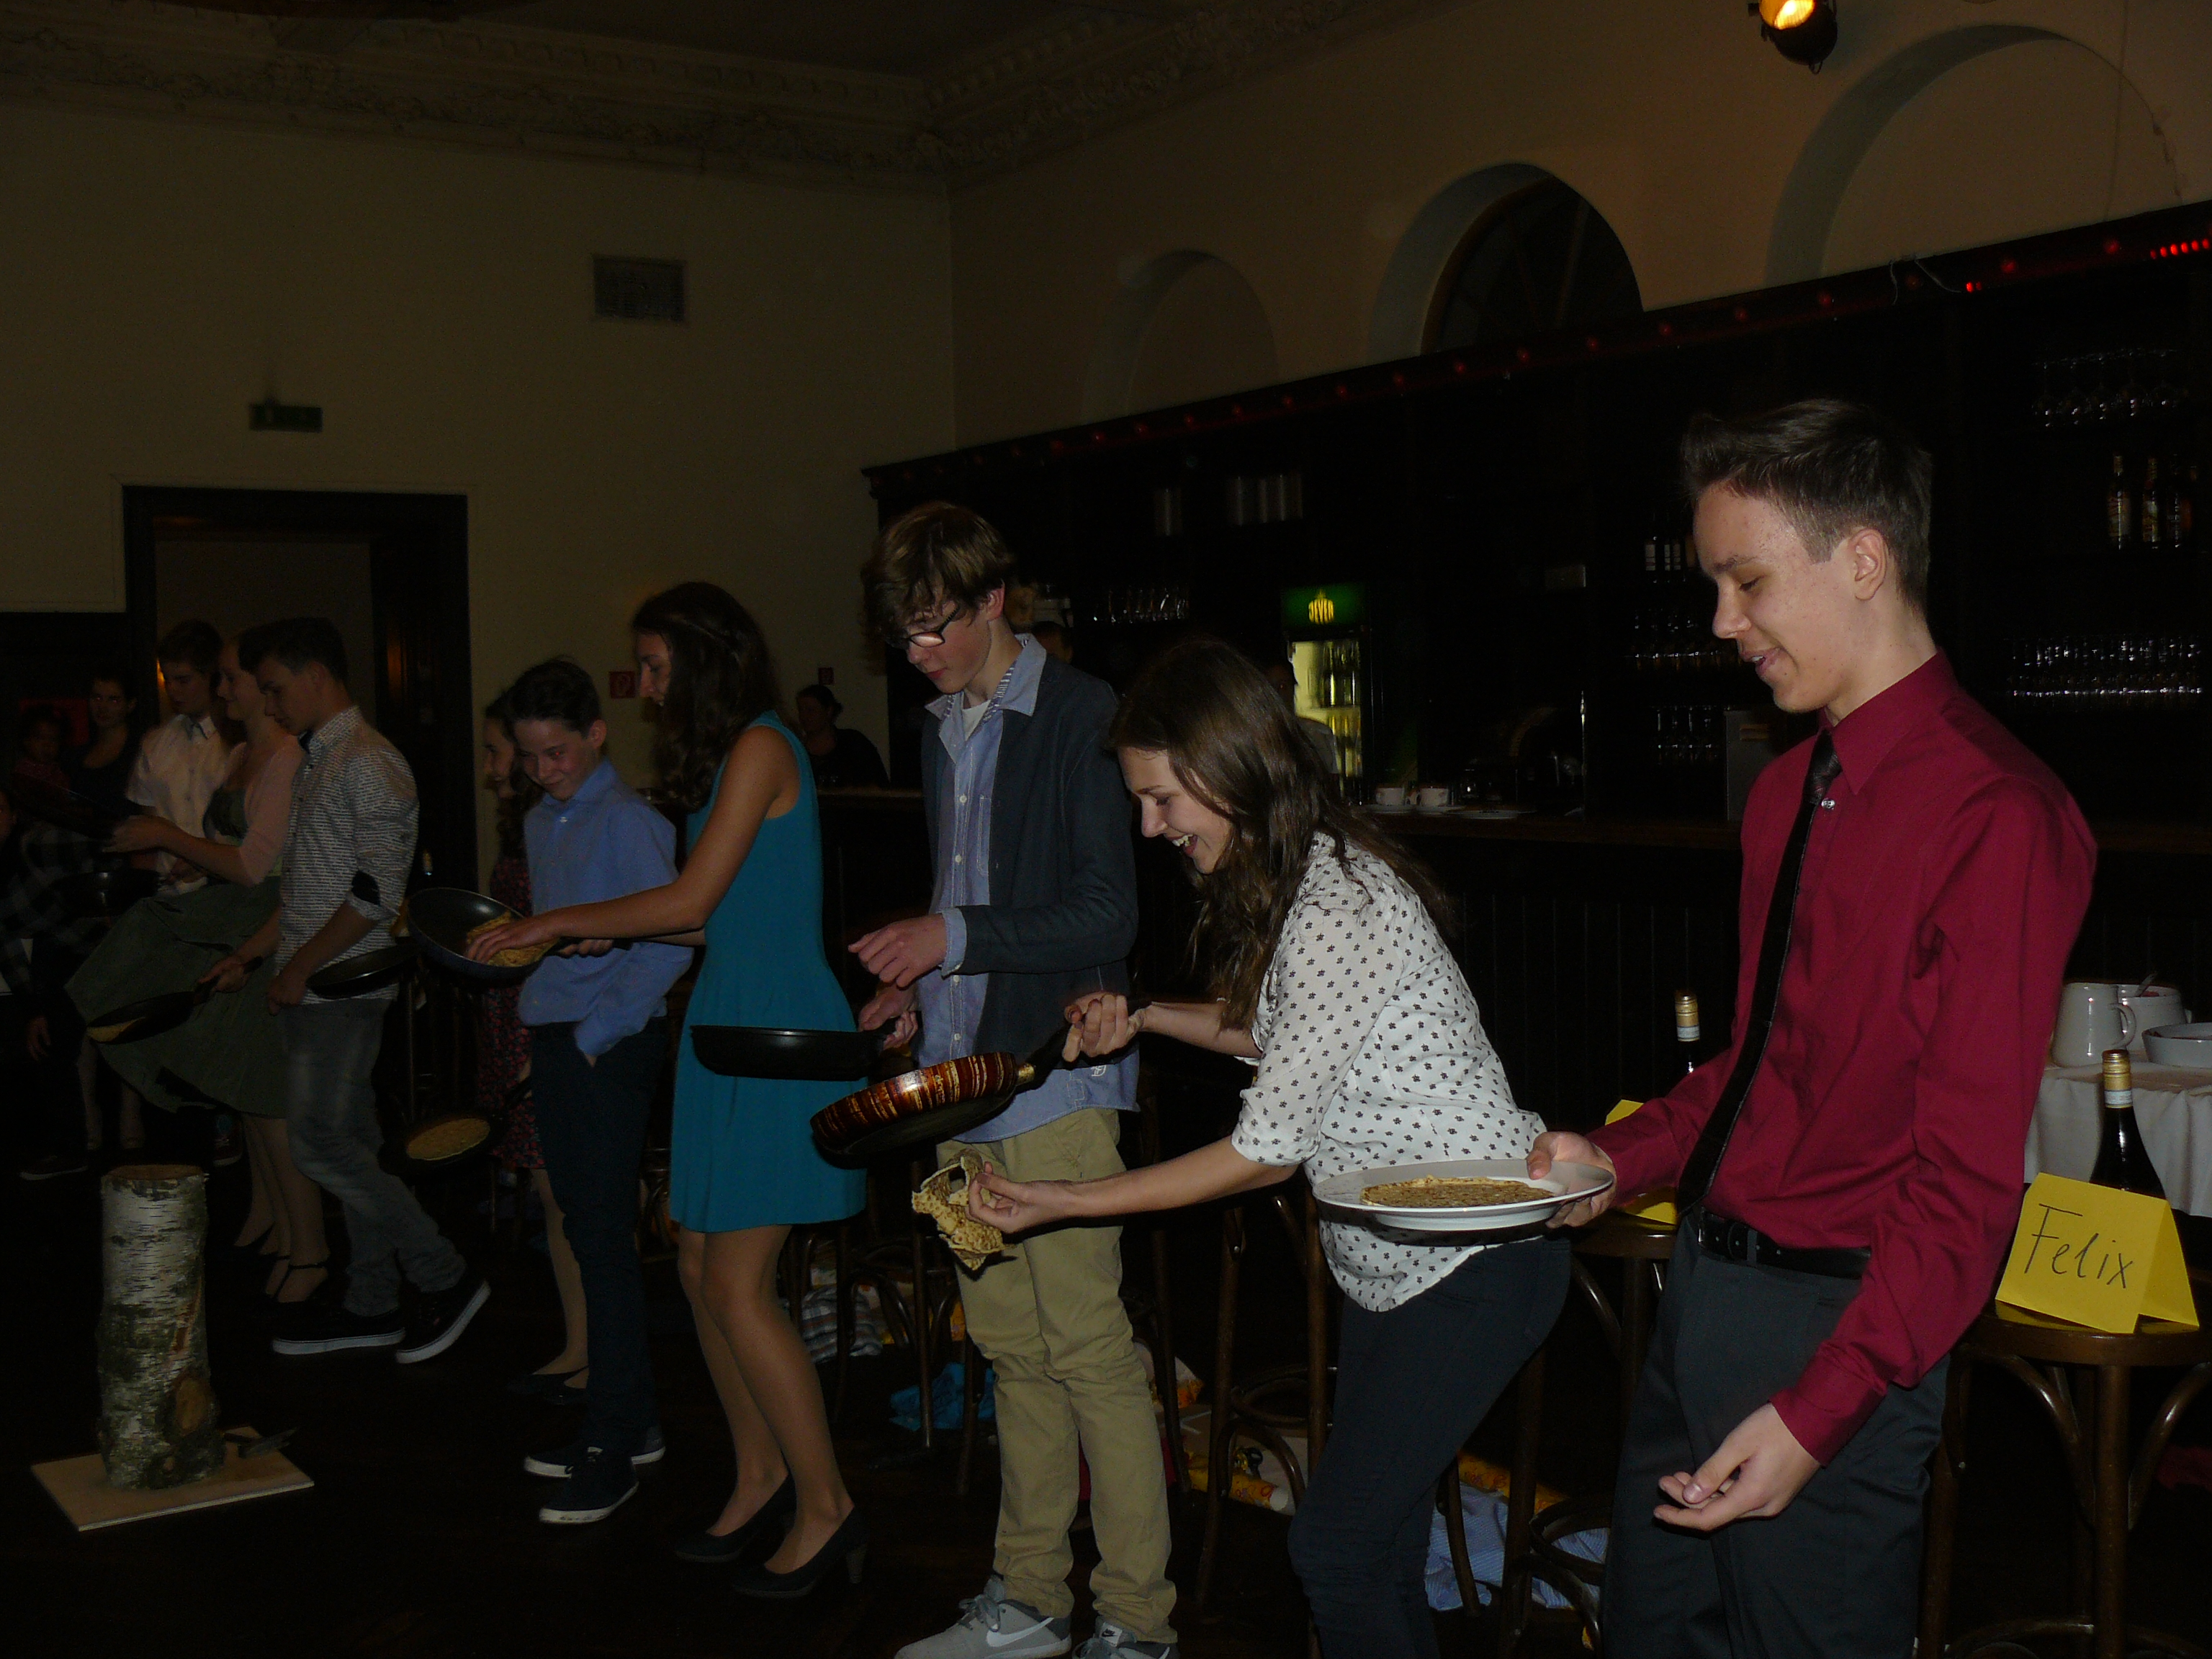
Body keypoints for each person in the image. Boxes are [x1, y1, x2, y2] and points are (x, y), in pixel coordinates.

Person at [1527, 400, 2096, 1659]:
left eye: (1746, 581)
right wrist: (1613, 1156)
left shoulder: (1997, 813)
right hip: (1704, 1296)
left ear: (1863, 559)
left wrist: (1819, 1411)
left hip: (1839, 1327)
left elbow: (1963, 1186)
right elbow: (1761, 1068)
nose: (1722, 621)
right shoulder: (1790, 786)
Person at [968, 637, 1563, 1659]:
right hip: (1404, 1263)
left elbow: (1265, 1151)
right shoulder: (1307, 878)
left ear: (1227, 766)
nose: (1151, 827)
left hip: (1473, 1262)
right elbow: (1284, 1039)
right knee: (1373, 1556)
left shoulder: (1337, 904)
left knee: (1337, 1552)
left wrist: (1065, 1201)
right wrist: (1146, 1013)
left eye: (1161, 799)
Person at [467, 584, 865, 1592]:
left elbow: (691, 897)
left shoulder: (764, 746)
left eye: (653, 666)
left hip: (776, 1023)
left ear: (702, 658)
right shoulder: (732, 757)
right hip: (728, 1013)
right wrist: (597, 930)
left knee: (735, 1283)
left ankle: (829, 1509)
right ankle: (760, 1474)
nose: (644, 687)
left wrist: (558, 922)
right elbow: (704, 919)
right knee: (694, 1265)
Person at [849, 503, 1171, 1659]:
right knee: (1004, 1347)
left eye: (936, 626)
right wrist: (919, 989)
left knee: (1088, 1355)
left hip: (1056, 1085)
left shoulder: (1081, 712)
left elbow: (1107, 915)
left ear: (994, 600)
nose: (919, 652)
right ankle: (1030, 1600)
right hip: (958, 1084)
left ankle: (1137, 1622)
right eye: (904, 635)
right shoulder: (942, 727)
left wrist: (950, 939)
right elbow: (966, 896)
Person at [202, 616, 489, 1364]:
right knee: (355, 1146)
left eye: (274, 689)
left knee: (321, 1144)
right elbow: (306, 890)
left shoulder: (369, 761)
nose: (269, 705)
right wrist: (253, 955)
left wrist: (299, 968)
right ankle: (372, 1301)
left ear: (316, 676)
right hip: (319, 982)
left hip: (346, 988)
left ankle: (444, 1273)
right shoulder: (320, 759)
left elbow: (372, 895)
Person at [490, 657, 691, 1526]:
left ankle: (614, 1437)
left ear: (597, 735)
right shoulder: (544, 820)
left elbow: (670, 941)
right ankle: (629, 1419)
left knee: (604, 1241)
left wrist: (593, 1036)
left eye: (558, 752)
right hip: (565, 1038)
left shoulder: (630, 821)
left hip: (609, 1042)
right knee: (584, 1232)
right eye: (531, 756)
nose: (545, 770)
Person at [77, 635, 320, 1301]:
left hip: (264, 923)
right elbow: (228, 849)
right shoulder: (242, 754)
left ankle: (310, 1249)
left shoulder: (289, 758)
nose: (223, 689)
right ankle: (272, 1219)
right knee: (244, 1091)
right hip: (233, 916)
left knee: (265, 1093)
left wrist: (166, 837)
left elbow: (255, 866)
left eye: (231, 678)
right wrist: (188, 860)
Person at [478, 694, 581, 1401]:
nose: (490, 769)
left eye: (495, 753)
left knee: (565, 1197)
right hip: (518, 1012)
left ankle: (589, 1350)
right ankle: (580, 1343)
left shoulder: (562, 822)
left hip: (546, 1019)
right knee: (554, 1197)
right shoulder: (529, 821)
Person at [0, 783, 103, 1181]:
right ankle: (70, 1150)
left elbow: (113, 844)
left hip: (109, 940)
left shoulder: (38, 845)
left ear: (13, 817)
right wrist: (34, 1010)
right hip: (61, 951)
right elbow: (7, 948)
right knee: (48, 1044)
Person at [129, 621, 233, 891]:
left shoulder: (238, 742)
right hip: (169, 894)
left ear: (212, 677)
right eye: (168, 679)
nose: (172, 690)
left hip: (227, 892)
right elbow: (145, 837)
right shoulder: (155, 743)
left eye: (183, 680)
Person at [68, 666, 141, 818]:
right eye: (97, 698)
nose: (102, 707)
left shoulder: (142, 751)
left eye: (113, 700)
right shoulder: (76, 755)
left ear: (130, 705)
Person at [791, 683, 888, 791]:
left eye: (811, 710)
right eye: (801, 710)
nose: (804, 716)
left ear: (829, 711)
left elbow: (878, 784)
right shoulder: (795, 748)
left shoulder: (854, 744)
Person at [12, 706, 71, 793]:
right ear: (26, 741)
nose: (47, 745)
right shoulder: (23, 772)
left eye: (53, 740)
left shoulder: (59, 771)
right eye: (40, 738)